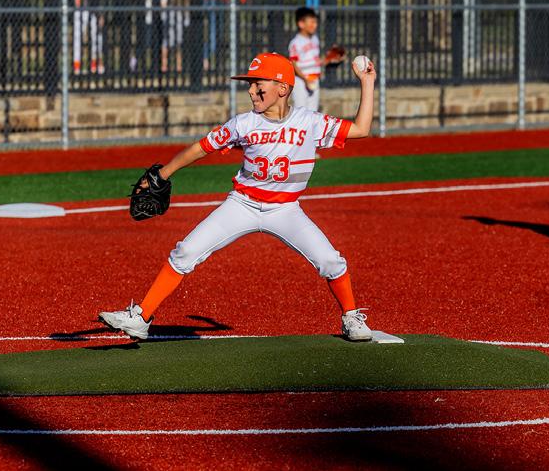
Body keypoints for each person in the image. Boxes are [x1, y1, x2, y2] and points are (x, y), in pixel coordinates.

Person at [98, 51, 378, 341]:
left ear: (282, 88)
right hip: (242, 205)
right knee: (186, 252)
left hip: (286, 210)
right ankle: (141, 317)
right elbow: (202, 147)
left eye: (258, 84)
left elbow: (361, 129)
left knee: (331, 261)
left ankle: (350, 316)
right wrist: (163, 174)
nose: (251, 90)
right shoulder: (243, 123)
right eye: (249, 84)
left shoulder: (310, 122)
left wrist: (367, 83)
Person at [144, 0, 189, 74]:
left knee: (176, 44)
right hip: (156, 24)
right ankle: (163, 65)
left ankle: (178, 66)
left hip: (167, 23)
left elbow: (165, 5)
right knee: (163, 45)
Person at [72, 0, 104, 75]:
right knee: (80, 38)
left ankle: (94, 64)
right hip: (83, 11)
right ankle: (78, 65)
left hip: (90, 11)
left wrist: (99, 14)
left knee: (95, 38)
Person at [288, 6, 324, 112]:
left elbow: (315, 61)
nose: (315, 25)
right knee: (301, 111)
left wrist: (329, 59)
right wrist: (305, 79)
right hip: (301, 81)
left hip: (314, 79)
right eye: (312, 22)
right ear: (301, 24)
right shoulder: (296, 42)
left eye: (315, 22)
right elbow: (293, 64)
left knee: (313, 112)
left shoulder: (315, 39)